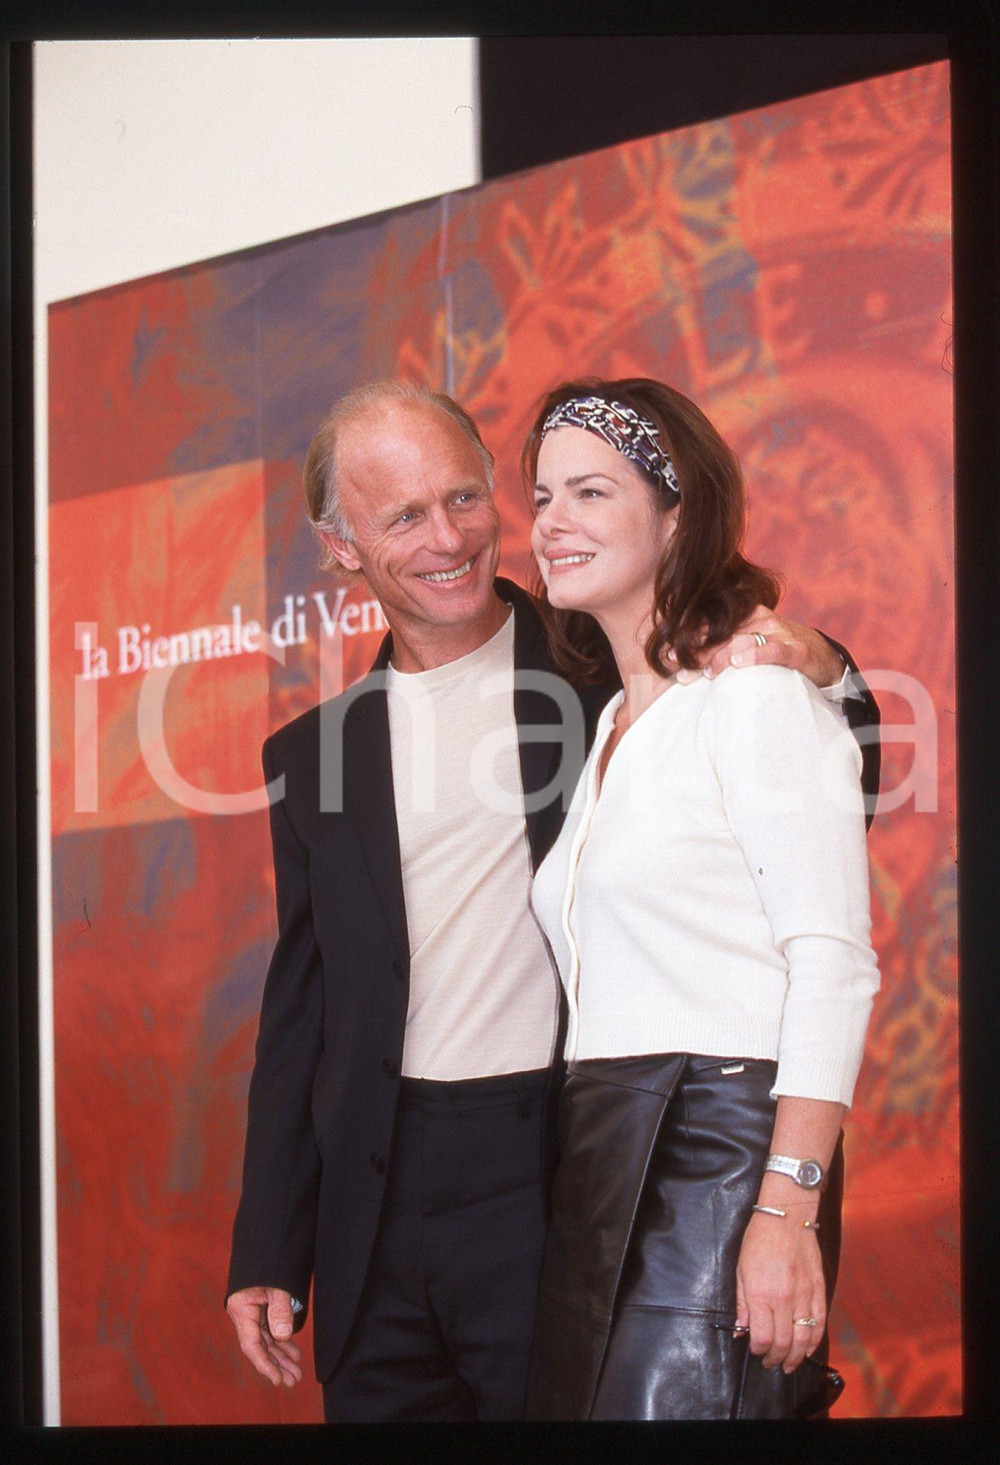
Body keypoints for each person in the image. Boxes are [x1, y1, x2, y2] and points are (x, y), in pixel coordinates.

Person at [224, 379, 879, 1422]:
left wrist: (821, 661)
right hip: (376, 1196)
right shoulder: (312, 754)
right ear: (342, 547)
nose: (447, 537)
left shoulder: (599, 663)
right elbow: (303, 1010)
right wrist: (269, 1239)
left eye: (465, 498)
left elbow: (829, 806)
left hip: (556, 1167)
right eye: (403, 517)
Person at [523, 379, 881, 1420]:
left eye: (589, 491)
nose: (551, 522)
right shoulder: (607, 729)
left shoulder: (760, 695)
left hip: (721, 1150)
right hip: (596, 1153)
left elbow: (833, 961)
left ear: (678, 513)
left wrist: (786, 1209)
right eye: (541, 496)